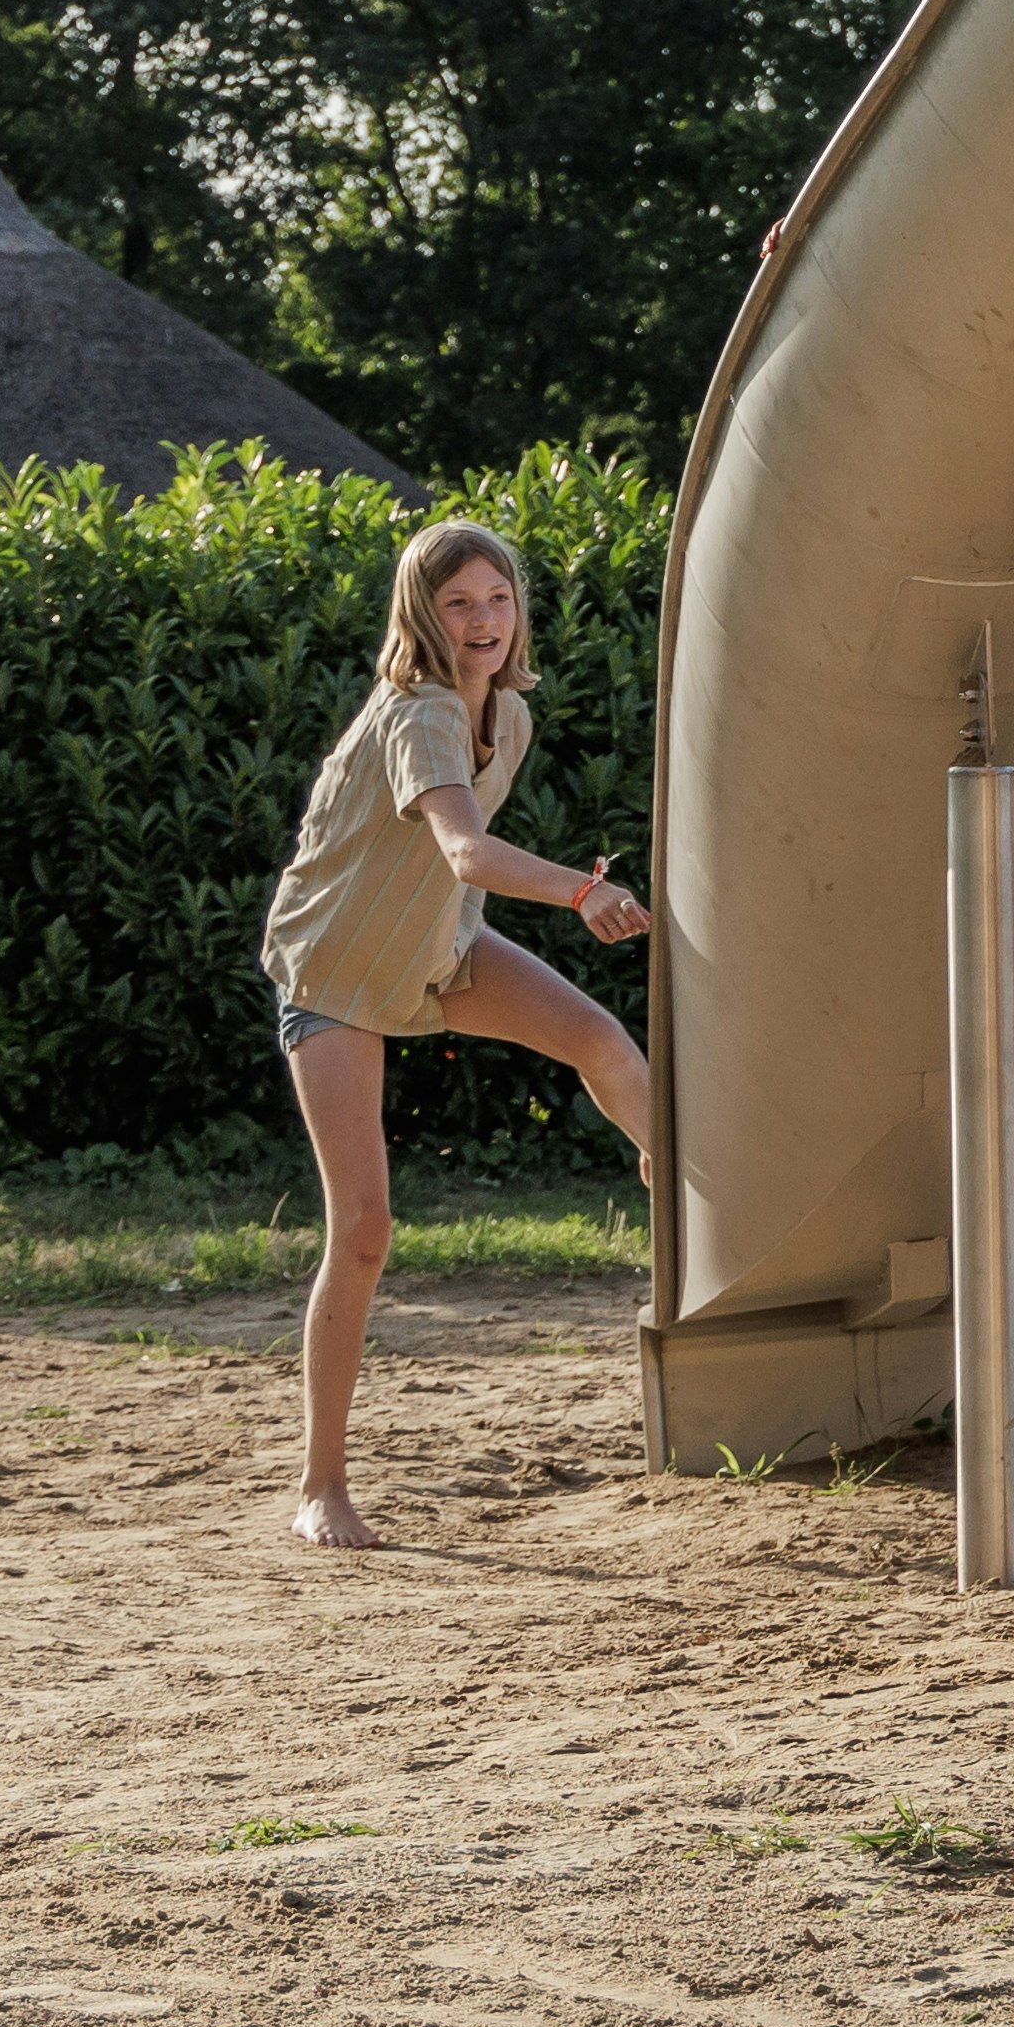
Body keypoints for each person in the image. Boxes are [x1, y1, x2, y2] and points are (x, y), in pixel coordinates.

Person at [259, 510, 661, 1552]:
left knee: (606, 1044)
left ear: (517, 607)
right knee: (362, 1230)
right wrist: (582, 892)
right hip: (338, 970)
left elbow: (455, 886)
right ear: (421, 615)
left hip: (439, 950)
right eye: (456, 602)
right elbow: (466, 849)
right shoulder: (422, 711)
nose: (481, 618)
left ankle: (696, 1197)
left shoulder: (506, 716)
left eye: (496, 597)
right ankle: (321, 1487)